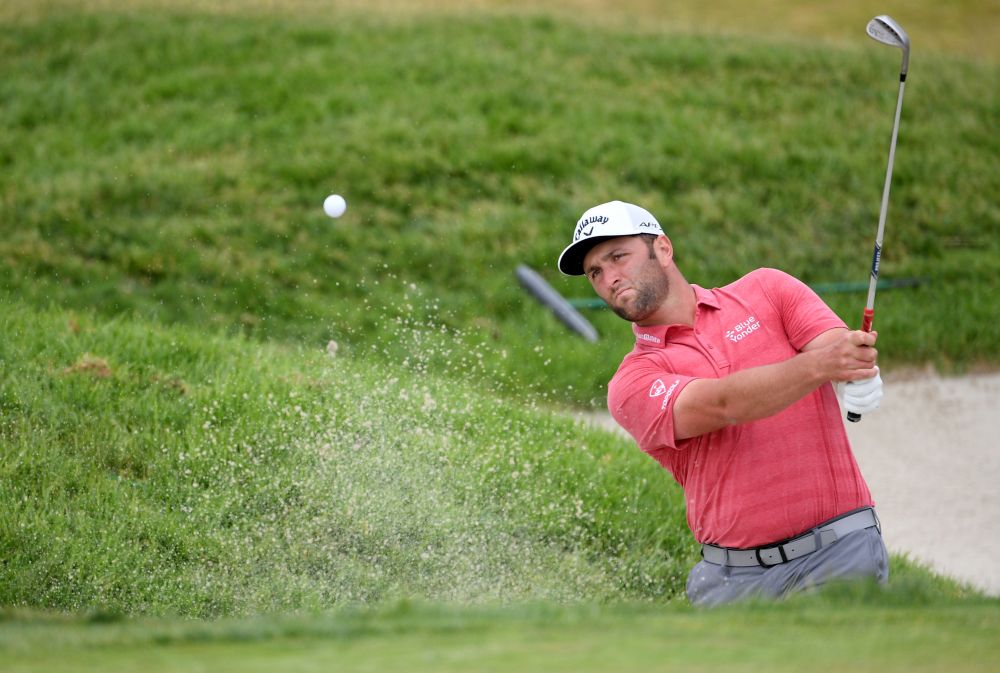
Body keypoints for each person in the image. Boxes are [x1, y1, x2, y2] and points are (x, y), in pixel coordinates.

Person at [557, 200, 888, 607]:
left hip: (839, 553)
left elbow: (837, 349)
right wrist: (824, 365)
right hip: (734, 582)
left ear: (662, 249)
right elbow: (722, 405)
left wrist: (856, 370)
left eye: (618, 257)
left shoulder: (767, 290)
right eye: (595, 272)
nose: (609, 277)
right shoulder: (632, 382)